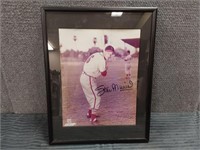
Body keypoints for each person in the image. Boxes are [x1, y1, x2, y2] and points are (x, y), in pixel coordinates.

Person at [80, 45, 114, 123]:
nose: (110, 55)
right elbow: (104, 74)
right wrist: (106, 68)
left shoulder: (97, 54)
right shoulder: (102, 60)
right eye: (108, 53)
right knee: (96, 98)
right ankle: (93, 117)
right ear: (104, 51)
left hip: (84, 76)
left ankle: (89, 113)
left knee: (92, 97)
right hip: (88, 78)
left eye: (111, 54)